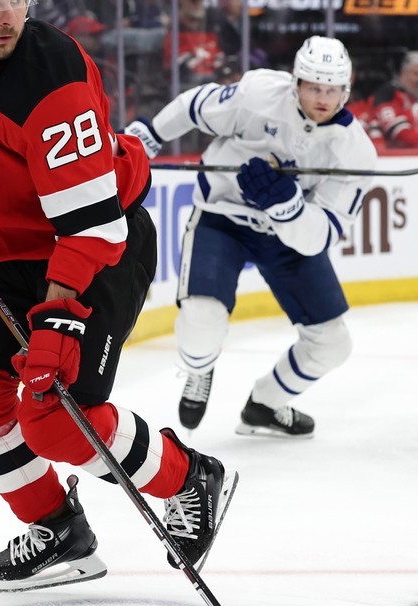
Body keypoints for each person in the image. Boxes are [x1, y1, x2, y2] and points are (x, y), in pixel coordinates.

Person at [0, 0, 239, 592]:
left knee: (54, 419)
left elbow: (92, 228)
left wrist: (59, 319)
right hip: (9, 248)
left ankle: (188, 478)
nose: (8, 15)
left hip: (97, 246)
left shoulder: (52, 76)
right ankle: (58, 529)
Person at [123, 35, 377, 436]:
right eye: (314, 87)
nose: (322, 98)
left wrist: (285, 206)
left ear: (346, 90)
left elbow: (319, 236)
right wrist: (151, 134)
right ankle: (200, 368)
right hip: (222, 218)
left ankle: (265, 405)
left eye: (332, 90)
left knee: (332, 343)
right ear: (296, 82)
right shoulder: (259, 94)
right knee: (200, 325)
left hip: (287, 237)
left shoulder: (355, 152)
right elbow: (195, 106)